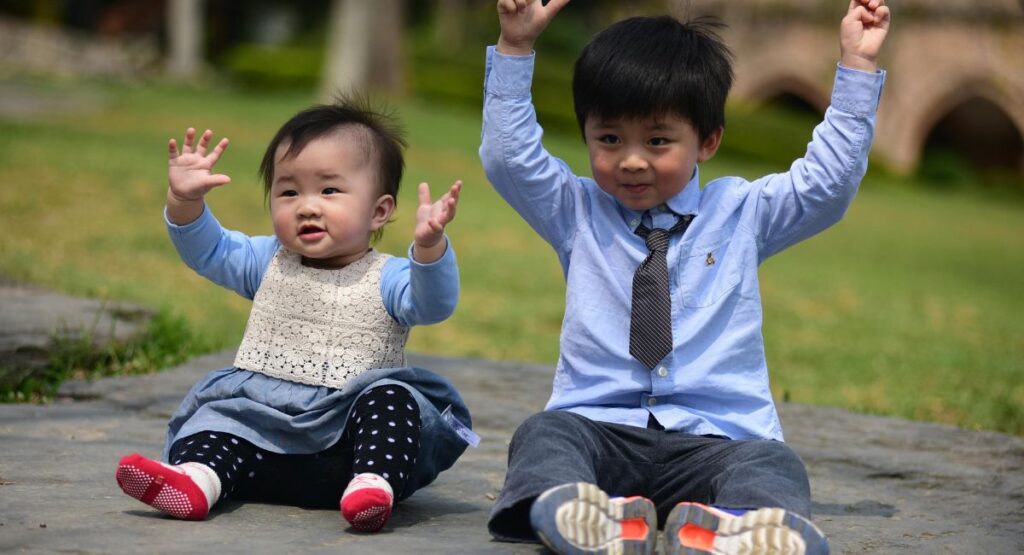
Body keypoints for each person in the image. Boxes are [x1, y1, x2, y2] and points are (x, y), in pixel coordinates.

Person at [481, 0, 890, 553]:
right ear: (586, 135)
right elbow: (509, 158)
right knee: (544, 434)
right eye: (608, 139)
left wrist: (857, 67)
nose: (630, 161)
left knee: (774, 461)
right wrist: (515, 47)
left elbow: (827, 184)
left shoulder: (742, 214)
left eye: (656, 141)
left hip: (716, 439)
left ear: (707, 142)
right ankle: (593, 518)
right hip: (601, 430)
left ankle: (730, 530)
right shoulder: (575, 210)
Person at [115, 98, 475, 533]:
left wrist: (429, 249)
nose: (306, 206)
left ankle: (374, 485)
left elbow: (432, 304)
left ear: (379, 211)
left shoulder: (390, 277)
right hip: (261, 439)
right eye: (289, 192)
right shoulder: (267, 260)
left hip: (343, 449)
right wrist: (184, 201)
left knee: (393, 400)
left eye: (329, 191)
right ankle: (197, 482)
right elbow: (209, 251)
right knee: (216, 418)